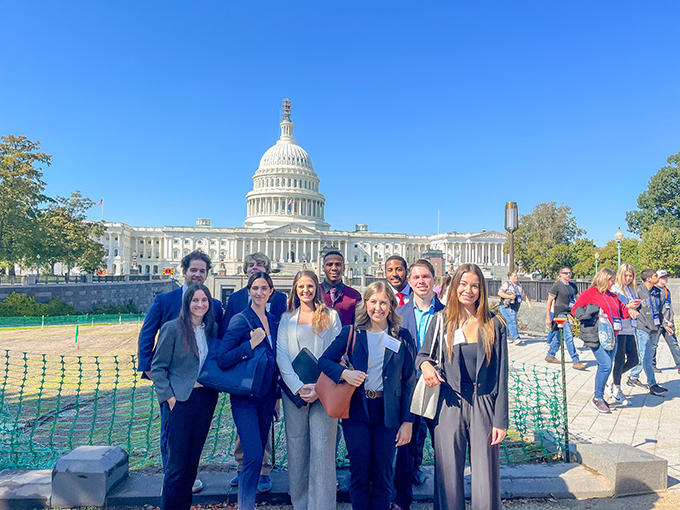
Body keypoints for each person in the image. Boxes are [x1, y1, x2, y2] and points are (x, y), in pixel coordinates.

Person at [416, 263, 508, 510]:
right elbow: (423, 355)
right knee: (447, 475)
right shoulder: (440, 321)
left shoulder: (494, 325)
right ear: (455, 286)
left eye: (475, 286)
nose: (468, 290)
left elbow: (502, 374)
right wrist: (425, 366)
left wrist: (501, 420)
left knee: (485, 477)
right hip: (449, 402)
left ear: (482, 290)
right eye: (463, 284)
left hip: (484, 402)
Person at [319, 281, 416, 510]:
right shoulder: (352, 332)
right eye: (373, 302)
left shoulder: (402, 336)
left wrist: (408, 421)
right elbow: (324, 361)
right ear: (365, 304)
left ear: (391, 305)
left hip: (388, 414)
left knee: (383, 478)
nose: (378, 308)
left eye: (384, 302)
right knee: (360, 476)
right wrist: (345, 373)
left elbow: (409, 381)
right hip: (357, 413)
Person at [138, 250, 224, 493]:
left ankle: (182, 483)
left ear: (207, 275)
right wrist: (153, 374)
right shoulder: (165, 300)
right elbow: (148, 334)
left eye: (202, 271)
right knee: (172, 442)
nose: (197, 274)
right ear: (184, 271)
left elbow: (219, 342)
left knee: (192, 448)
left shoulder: (214, 305)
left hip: (203, 391)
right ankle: (172, 481)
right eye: (193, 270)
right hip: (174, 387)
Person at [276, 270, 342, 510]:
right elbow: (281, 356)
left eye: (310, 286)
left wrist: (319, 387)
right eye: (301, 286)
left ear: (317, 288)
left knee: (323, 450)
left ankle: (322, 505)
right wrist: (297, 386)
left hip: (324, 391)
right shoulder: (286, 319)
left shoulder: (331, 316)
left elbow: (336, 353)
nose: (306, 290)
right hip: (295, 394)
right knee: (297, 448)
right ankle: (300, 503)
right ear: (295, 289)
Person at [150, 284, 219, 510]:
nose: (200, 305)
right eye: (195, 300)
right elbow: (158, 367)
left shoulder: (212, 329)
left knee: (192, 463)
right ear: (187, 303)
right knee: (176, 465)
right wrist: (168, 397)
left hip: (205, 399)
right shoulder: (172, 329)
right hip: (180, 400)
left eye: (204, 300)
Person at [222, 252, 286, 492]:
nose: (254, 268)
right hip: (244, 374)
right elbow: (228, 337)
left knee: (265, 424)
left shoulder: (279, 299)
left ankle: (263, 469)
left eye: (260, 265)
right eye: (251, 265)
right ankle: (243, 467)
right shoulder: (237, 299)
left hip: (268, 377)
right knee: (244, 427)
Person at [392, 259, 444, 510]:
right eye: (416, 278)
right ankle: (402, 501)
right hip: (408, 388)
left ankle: (445, 501)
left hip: (440, 387)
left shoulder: (448, 313)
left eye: (426, 277)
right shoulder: (398, 316)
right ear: (409, 282)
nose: (421, 282)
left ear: (434, 280)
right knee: (405, 449)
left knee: (443, 448)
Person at [572, 269, 632, 413]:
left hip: (613, 334)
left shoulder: (613, 295)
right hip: (597, 335)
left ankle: (600, 397)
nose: (613, 283)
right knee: (605, 365)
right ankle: (597, 398)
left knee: (606, 365)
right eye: (611, 280)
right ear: (603, 279)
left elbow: (622, 312)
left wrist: (632, 309)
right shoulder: (589, 293)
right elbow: (576, 311)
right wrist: (594, 310)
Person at [627, 269, 670, 396]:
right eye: (656, 276)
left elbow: (661, 309)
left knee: (648, 356)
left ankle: (635, 376)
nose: (658, 277)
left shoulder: (658, 292)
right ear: (648, 279)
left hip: (655, 327)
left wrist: (665, 324)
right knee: (644, 355)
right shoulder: (638, 291)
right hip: (642, 328)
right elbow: (632, 307)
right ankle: (651, 383)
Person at [608, 264, 641, 405]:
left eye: (631, 275)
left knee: (634, 359)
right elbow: (615, 307)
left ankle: (612, 378)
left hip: (630, 328)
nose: (628, 278)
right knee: (620, 359)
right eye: (626, 275)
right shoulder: (615, 289)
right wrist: (628, 307)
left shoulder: (629, 289)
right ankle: (617, 389)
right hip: (619, 329)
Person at [545, 267, 586, 370]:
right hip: (560, 314)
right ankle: (575, 360)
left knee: (559, 336)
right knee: (568, 336)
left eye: (569, 273)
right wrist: (548, 317)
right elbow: (549, 302)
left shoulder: (573, 286)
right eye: (565, 273)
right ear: (561, 274)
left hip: (569, 313)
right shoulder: (557, 286)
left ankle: (550, 354)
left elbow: (577, 300)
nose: (568, 274)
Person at [320, 251, 362, 327]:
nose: (334, 268)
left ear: (344, 267)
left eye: (338, 264)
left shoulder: (354, 296)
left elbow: (359, 325)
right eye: (329, 265)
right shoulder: (315, 292)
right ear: (323, 267)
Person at [650, 270, 680, 374]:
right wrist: (665, 322)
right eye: (663, 277)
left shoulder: (667, 290)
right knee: (653, 345)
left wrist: (671, 320)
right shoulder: (654, 290)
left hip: (669, 322)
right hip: (658, 322)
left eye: (666, 277)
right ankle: (651, 366)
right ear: (657, 278)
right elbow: (656, 308)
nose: (665, 279)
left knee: (674, 344)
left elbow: (669, 307)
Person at [498, 271, 533, 344]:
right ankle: (516, 337)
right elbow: (500, 293)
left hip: (515, 306)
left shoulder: (519, 285)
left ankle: (506, 337)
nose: (516, 277)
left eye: (517, 276)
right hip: (506, 306)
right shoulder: (507, 284)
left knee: (509, 321)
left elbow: (523, 296)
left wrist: (529, 304)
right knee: (512, 320)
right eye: (514, 276)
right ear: (510, 277)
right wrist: (510, 296)